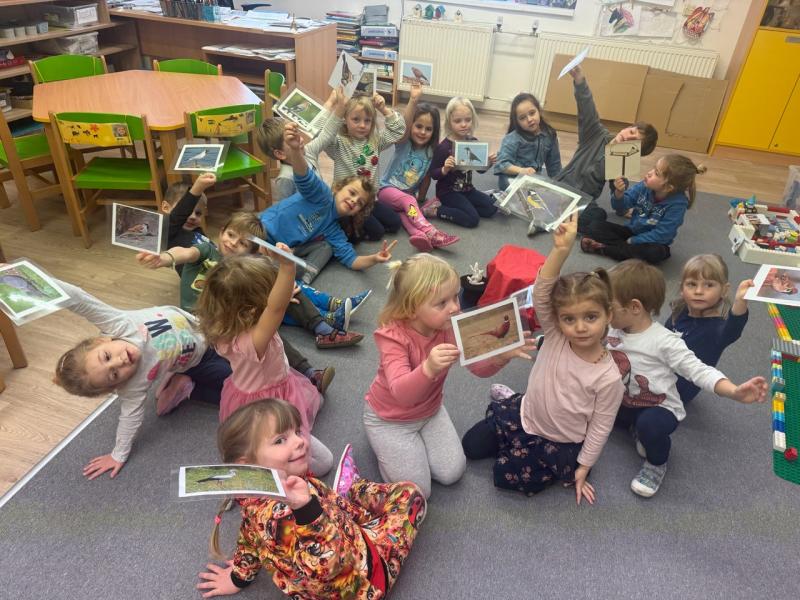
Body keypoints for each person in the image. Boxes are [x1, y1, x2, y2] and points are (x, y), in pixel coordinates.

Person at [461, 214, 623, 503]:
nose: (580, 327)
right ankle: (514, 401)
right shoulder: (557, 335)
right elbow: (541, 292)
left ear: (608, 315)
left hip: (558, 440)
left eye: (591, 317)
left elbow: (600, 427)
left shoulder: (609, 378)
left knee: (505, 477)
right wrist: (560, 250)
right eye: (569, 319)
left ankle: (524, 438)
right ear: (558, 320)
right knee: (470, 447)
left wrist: (584, 466)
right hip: (526, 414)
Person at [197, 398, 426, 599]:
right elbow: (327, 568)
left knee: (332, 501)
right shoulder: (282, 516)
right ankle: (353, 487)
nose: (300, 441)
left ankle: (350, 495)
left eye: (297, 432)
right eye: (280, 440)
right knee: (411, 494)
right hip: (368, 580)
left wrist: (239, 577)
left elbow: (250, 536)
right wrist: (308, 512)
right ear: (247, 464)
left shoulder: (255, 500)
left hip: (344, 530)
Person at [364, 253, 535, 498]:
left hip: (429, 411)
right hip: (390, 419)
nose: (455, 307)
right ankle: (380, 442)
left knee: (452, 472)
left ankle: (408, 449)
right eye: (442, 303)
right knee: (418, 491)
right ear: (411, 309)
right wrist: (428, 369)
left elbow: (477, 368)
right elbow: (402, 394)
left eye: (455, 296)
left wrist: (499, 357)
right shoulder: (392, 337)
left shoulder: (449, 325)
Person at [606, 259, 767, 497]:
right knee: (599, 405)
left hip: (660, 402)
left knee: (650, 426)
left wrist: (733, 391)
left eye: (608, 306)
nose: (603, 313)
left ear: (635, 307)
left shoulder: (666, 341)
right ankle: (634, 426)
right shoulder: (614, 327)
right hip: (628, 395)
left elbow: (699, 370)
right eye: (691, 284)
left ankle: (656, 464)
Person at [53, 277, 229, 480]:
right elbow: (130, 419)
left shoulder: (118, 324)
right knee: (239, 386)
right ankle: (188, 388)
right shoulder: (132, 386)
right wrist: (118, 455)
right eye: (114, 374)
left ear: (101, 341)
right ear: (117, 385)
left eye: (107, 356)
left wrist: (33, 282)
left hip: (199, 326)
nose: (120, 362)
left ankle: (174, 376)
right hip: (201, 360)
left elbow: (77, 299)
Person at [137, 210, 364, 350]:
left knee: (288, 290)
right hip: (200, 322)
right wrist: (166, 258)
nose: (233, 243)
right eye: (231, 235)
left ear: (250, 252)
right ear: (222, 231)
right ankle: (317, 342)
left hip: (233, 316)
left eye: (242, 243)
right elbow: (185, 253)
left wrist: (280, 290)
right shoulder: (207, 250)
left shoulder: (245, 268)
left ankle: (324, 329)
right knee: (267, 327)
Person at [194, 253, 333, 475]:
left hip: (265, 385)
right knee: (324, 462)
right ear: (252, 308)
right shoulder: (254, 339)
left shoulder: (226, 326)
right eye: (271, 292)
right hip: (265, 404)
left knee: (317, 400)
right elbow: (275, 309)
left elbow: (273, 307)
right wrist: (287, 267)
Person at [258, 122, 397, 281]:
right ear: (337, 188)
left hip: (277, 251)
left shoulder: (332, 229)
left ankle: (301, 278)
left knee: (264, 272)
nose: (354, 201)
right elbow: (304, 176)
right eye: (352, 193)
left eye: (359, 203)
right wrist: (295, 150)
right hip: (260, 229)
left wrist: (375, 258)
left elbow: (351, 260)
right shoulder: (322, 194)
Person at [553, 65, 658, 232]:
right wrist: (579, 80)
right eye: (631, 132)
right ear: (627, 127)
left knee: (599, 216)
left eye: (634, 142)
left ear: (635, 151)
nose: (628, 137)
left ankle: (559, 217)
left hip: (582, 200)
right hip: (561, 187)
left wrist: (620, 195)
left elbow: (616, 196)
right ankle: (561, 217)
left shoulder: (621, 159)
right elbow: (587, 109)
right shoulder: (596, 134)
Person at [307, 92, 407, 242]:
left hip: (369, 200)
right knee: (377, 233)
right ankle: (343, 224)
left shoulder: (376, 141)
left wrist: (383, 109)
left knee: (395, 223)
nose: (362, 125)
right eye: (356, 119)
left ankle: (357, 224)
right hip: (348, 202)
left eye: (367, 120)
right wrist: (331, 102)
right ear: (345, 119)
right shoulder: (338, 143)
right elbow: (318, 131)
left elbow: (398, 130)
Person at [377, 82, 460, 251]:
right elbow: (404, 126)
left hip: (405, 200)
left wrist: (421, 198)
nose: (422, 132)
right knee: (409, 202)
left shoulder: (431, 152)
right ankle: (430, 231)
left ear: (434, 132)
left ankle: (420, 235)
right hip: (386, 191)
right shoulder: (404, 143)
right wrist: (413, 100)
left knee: (408, 214)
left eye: (428, 129)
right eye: (418, 126)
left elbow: (426, 177)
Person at [580, 154, 706, 264]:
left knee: (656, 253)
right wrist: (619, 194)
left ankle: (605, 249)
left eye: (656, 173)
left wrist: (634, 240)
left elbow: (663, 234)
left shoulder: (677, 205)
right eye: (653, 168)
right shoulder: (644, 186)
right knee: (595, 226)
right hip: (632, 230)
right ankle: (622, 250)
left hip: (653, 241)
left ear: (668, 187)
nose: (649, 173)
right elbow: (621, 207)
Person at [665, 254, 752, 406]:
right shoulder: (680, 311)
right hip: (659, 372)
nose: (699, 291)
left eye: (709, 285)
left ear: (724, 290)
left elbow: (733, 328)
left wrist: (740, 301)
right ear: (682, 289)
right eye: (692, 284)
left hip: (676, 392)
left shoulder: (717, 330)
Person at [425, 96, 497, 228]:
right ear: (449, 122)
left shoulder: (473, 142)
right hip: (448, 192)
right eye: (458, 121)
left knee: (492, 207)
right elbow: (433, 174)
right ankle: (436, 210)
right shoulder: (444, 147)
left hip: (467, 190)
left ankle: (463, 209)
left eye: (468, 120)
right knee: (472, 219)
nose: (464, 124)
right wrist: (444, 169)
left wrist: (489, 162)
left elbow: (480, 170)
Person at [494, 92, 562, 190]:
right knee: (517, 192)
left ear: (539, 110)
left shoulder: (550, 135)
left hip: (533, 178)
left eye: (532, 113)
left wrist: (559, 189)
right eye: (522, 118)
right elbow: (501, 165)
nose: (529, 119)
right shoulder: (512, 138)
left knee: (545, 192)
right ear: (517, 122)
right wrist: (522, 170)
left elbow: (554, 167)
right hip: (511, 178)